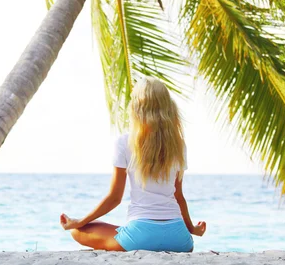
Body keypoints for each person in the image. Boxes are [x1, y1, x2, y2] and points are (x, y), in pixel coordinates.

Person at [59, 77, 206, 252]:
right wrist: (191, 229)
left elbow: (115, 198)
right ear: (168, 106)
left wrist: (80, 221)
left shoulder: (124, 143)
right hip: (180, 240)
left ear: (136, 108)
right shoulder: (179, 145)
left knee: (78, 231)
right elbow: (179, 196)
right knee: (110, 228)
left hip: (140, 237)